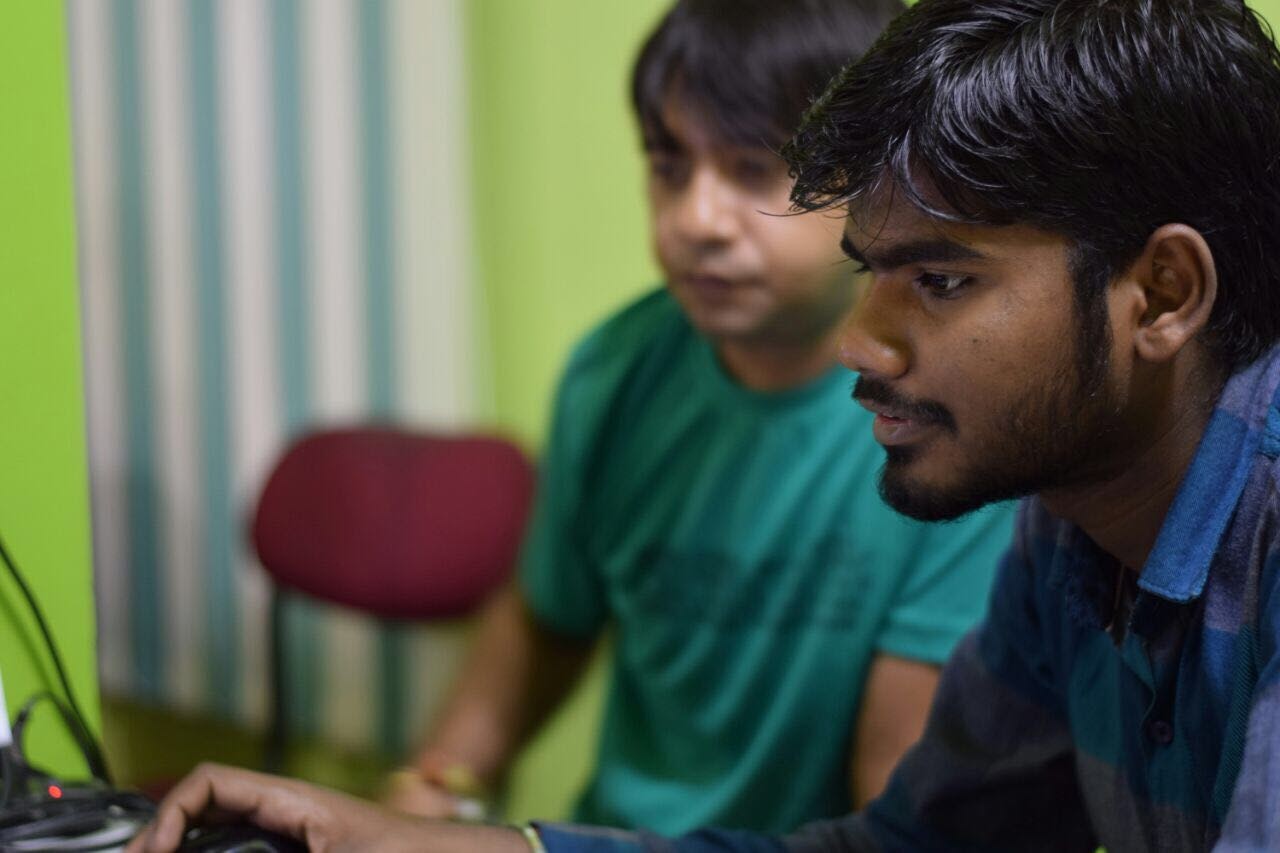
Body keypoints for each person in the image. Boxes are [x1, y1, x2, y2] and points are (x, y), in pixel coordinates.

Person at [128, 0, 1280, 849]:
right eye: (868, 273)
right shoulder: (1066, 525)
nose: (858, 345)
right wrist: (430, 837)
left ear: (1162, 294)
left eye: (937, 281)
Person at [381, 0, 1012, 836]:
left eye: (755, 169)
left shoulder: (946, 416)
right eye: (670, 167)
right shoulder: (615, 372)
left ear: (882, 175)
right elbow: (544, 619)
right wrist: (433, 794)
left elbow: (897, 807)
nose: (695, 219)